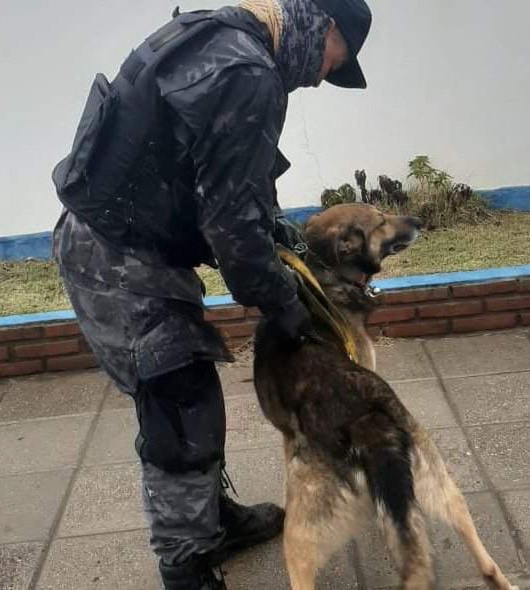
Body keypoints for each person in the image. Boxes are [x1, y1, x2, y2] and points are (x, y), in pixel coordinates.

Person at [51, 1, 371, 587]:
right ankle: (185, 567)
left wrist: (280, 235)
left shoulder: (226, 37)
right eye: (336, 60)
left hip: (135, 243)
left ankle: (211, 519)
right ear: (325, 26)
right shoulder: (249, 72)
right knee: (178, 408)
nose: (324, 75)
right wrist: (285, 303)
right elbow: (232, 230)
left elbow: (226, 177)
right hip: (115, 256)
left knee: (193, 394)